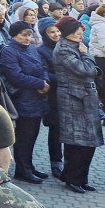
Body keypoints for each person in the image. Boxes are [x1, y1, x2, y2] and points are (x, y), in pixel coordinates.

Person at [53, 17, 103, 193]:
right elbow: (87, 70)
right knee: (78, 141)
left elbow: (94, 71)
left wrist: (86, 57)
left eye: (81, 31)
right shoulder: (64, 50)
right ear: (68, 33)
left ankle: (80, 178)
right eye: (77, 32)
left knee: (87, 142)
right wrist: (85, 54)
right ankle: (73, 178)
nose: (81, 35)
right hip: (73, 99)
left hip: (85, 98)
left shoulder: (77, 46)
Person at [0, 20, 50, 183]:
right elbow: (15, 75)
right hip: (22, 99)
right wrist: (40, 84)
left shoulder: (31, 49)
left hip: (36, 98)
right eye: (23, 35)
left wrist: (45, 81)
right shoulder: (9, 51)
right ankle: (22, 170)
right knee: (23, 137)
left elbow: (43, 68)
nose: (27, 38)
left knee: (33, 135)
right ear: (14, 35)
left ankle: (29, 165)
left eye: (29, 34)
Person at [36, 21, 64, 180]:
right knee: (56, 129)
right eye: (52, 32)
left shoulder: (64, 46)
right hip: (52, 96)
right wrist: (65, 78)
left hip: (67, 95)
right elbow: (44, 73)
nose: (56, 35)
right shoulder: (41, 51)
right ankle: (56, 162)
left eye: (58, 31)